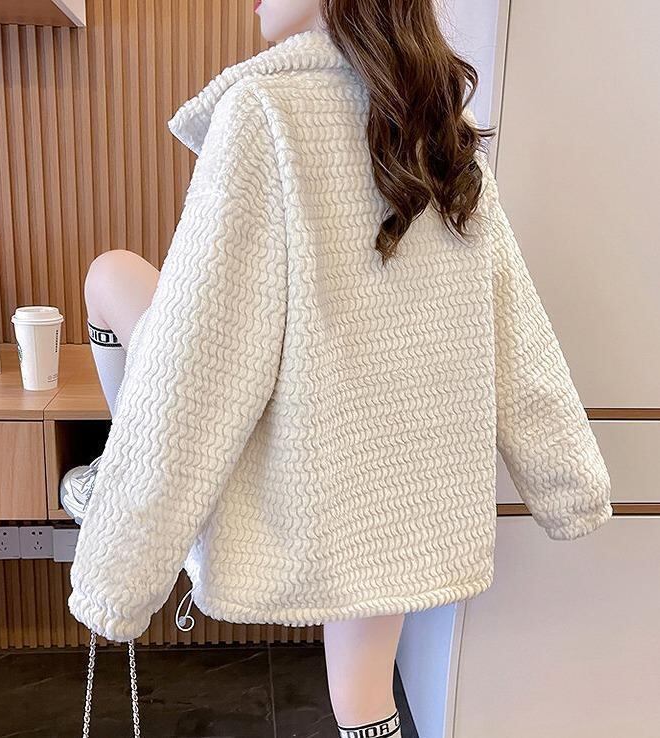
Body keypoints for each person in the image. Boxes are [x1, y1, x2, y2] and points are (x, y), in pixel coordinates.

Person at [62, 1, 613, 735]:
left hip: (308, 466)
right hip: (401, 487)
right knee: (364, 699)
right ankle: (112, 479)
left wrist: (119, 568)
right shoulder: (439, 127)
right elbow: (517, 331)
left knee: (110, 275)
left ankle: (109, 479)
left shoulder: (264, 114)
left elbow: (193, 369)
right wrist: (570, 485)